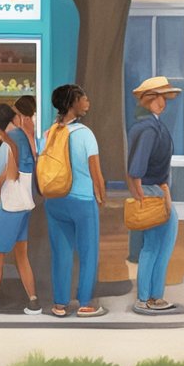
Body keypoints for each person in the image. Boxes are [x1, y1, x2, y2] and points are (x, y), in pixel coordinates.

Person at [45, 84, 107, 318]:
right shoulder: (84, 134)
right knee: (88, 252)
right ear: (72, 103)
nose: (87, 101)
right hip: (82, 200)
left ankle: (60, 304)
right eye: (83, 98)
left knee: (61, 252)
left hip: (55, 200)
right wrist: (101, 196)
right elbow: (96, 172)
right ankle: (85, 303)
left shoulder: (50, 133)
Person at [126, 76, 182, 314]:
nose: (163, 101)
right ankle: (148, 297)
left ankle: (152, 296)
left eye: (164, 97)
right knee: (155, 246)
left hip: (155, 190)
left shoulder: (148, 125)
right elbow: (137, 167)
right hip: (152, 191)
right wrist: (142, 195)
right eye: (159, 97)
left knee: (157, 245)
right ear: (149, 100)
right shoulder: (149, 128)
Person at [0, 103, 41, 314]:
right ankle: (33, 300)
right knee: (21, 255)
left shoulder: (5, 147)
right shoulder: (23, 139)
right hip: (26, 205)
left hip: (11, 208)